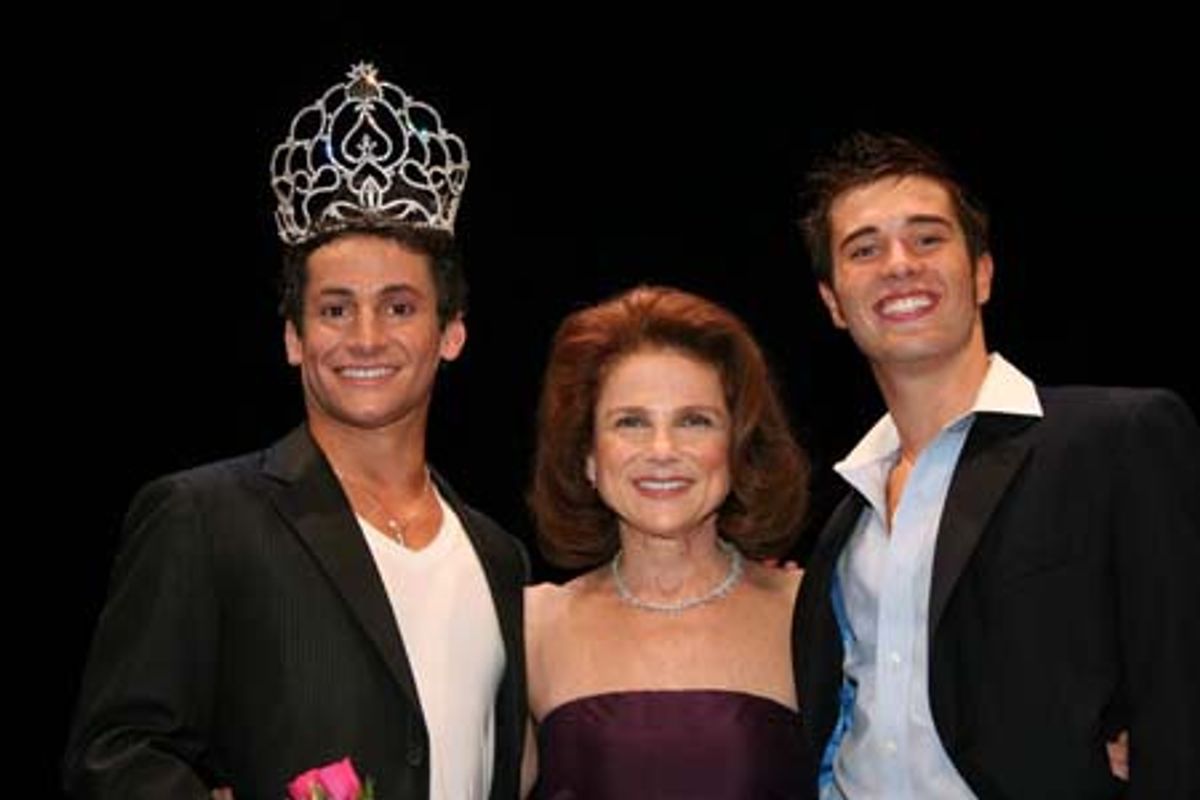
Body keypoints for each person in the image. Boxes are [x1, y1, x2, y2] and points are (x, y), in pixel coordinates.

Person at [63, 63, 528, 800]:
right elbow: (113, 757)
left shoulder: (499, 559)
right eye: (336, 310)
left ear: (452, 334)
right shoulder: (203, 518)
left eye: (399, 307)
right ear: (293, 337)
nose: (366, 337)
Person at [794, 131, 1200, 798]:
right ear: (834, 302)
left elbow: (1178, 692)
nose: (899, 265)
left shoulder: (1113, 440)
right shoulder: (844, 526)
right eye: (864, 249)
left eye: (927, 238)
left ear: (982, 272)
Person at [523, 285, 815, 798]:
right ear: (588, 454)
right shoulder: (533, 626)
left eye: (694, 421)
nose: (662, 450)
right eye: (631, 422)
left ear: (736, 446)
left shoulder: (809, 614)